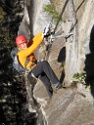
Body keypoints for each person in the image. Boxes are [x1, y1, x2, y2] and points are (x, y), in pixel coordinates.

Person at [15, 29, 61, 98]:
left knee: (47, 83)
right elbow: (33, 48)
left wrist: (42, 32)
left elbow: (34, 40)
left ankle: (51, 97)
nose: (24, 45)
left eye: (25, 43)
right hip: (32, 71)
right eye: (22, 44)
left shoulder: (26, 46)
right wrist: (42, 37)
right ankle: (57, 83)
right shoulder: (21, 54)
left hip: (36, 67)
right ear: (19, 46)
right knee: (44, 64)